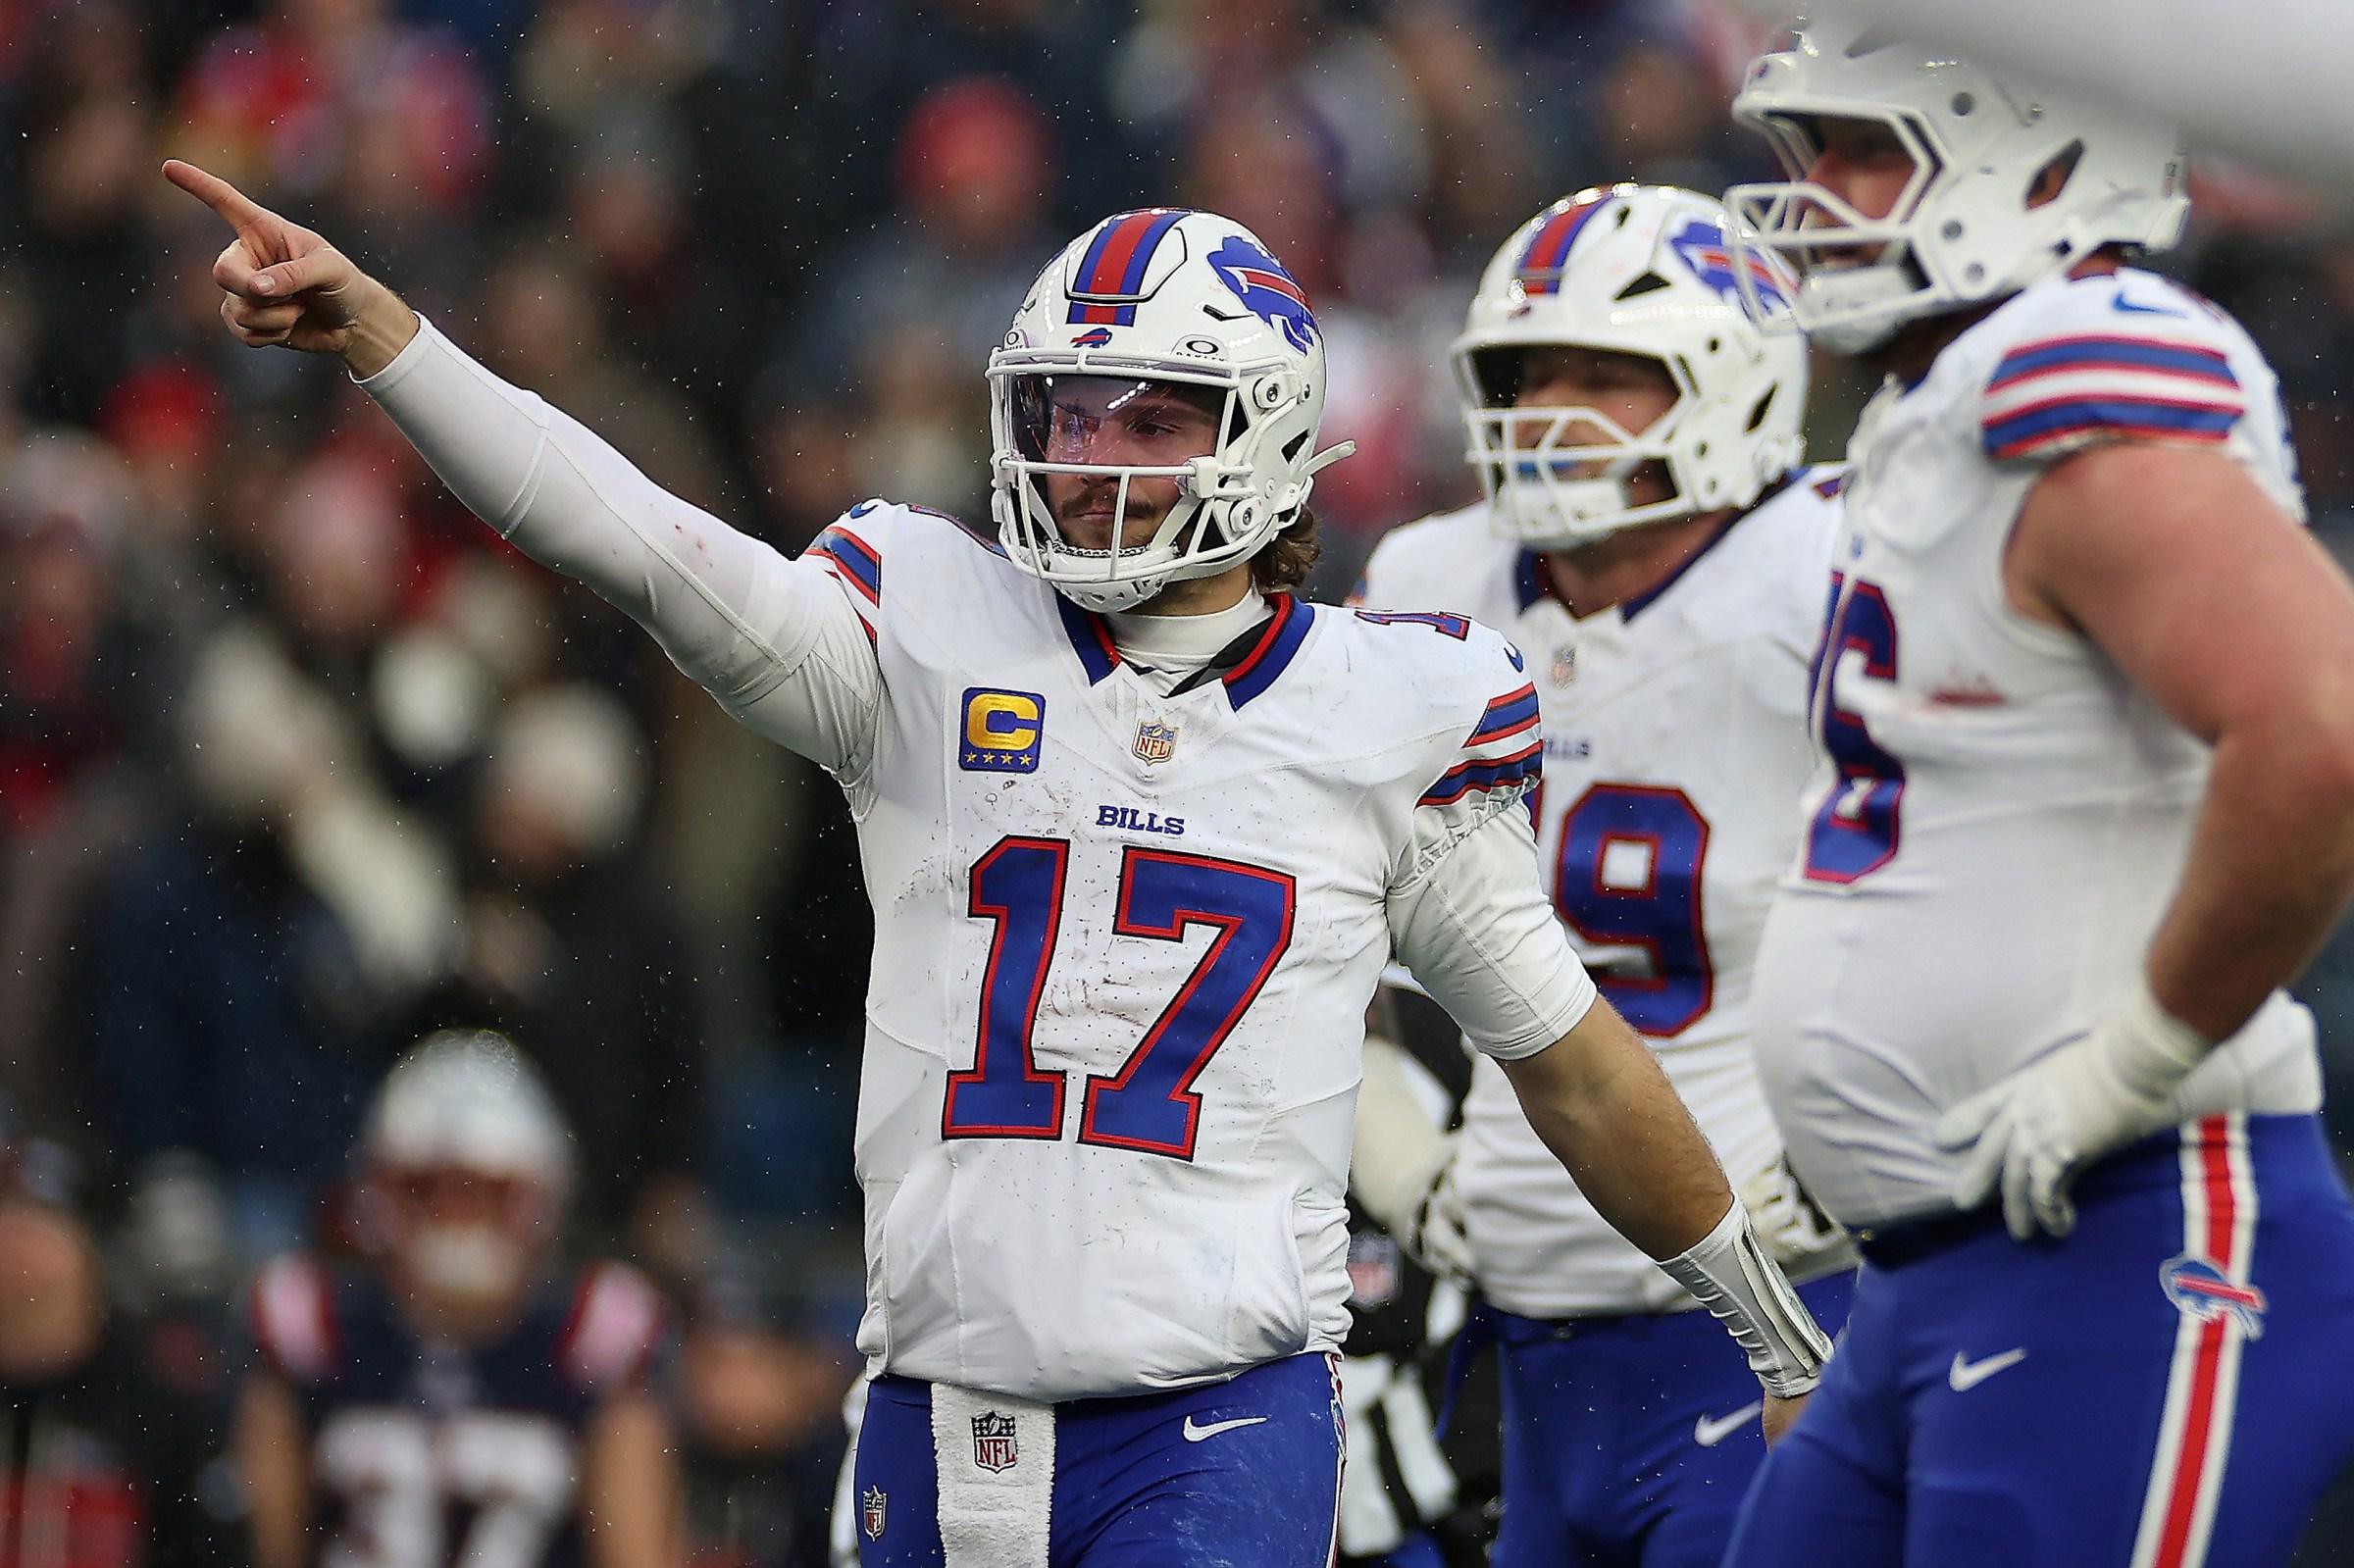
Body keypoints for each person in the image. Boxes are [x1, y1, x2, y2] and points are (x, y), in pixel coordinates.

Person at [169, 163, 1834, 1568]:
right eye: (1065, 410)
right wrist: (391, 341)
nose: (1095, 454)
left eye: (1154, 414)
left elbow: (1574, 1061)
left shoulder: (1385, 704)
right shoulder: (926, 626)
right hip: (925, 1400)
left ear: (1264, 439)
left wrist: (1772, 1329)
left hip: (1215, 1415)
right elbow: (640, 545)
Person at [1716, 21, 2354, 1567]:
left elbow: (2321, 726)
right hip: (1933, 1268)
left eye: (1869, 152)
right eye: (1810, 161)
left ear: (2048, 156)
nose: (1821, 202)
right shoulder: (1930, 417)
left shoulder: (2071, 374)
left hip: (2123, 1230)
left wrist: (2129, 1059)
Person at [1349, 183, 1855, 1568]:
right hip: (1518, 1326)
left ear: (1737, 383)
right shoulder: (1430, 577)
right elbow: (1300, 913)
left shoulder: (1833, 572)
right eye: (1527, 371)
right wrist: (1397, 1150)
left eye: (1605, 374)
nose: (1550, 407)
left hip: (1783, 1310)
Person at [235, 1031, 682, 1568]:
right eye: (428, 1189)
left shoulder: (593, 1338)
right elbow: (267, 1549)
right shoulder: (315, 1328)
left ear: (543, 1196)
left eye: (487, 1192)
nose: (457, 1216)